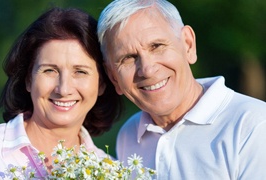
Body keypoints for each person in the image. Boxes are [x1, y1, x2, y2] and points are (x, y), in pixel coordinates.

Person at [97, 0, 266, 179]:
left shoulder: (254, 125)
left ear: (188, 44)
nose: (147, 69)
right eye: (128, 58)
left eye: (157, 46)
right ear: (113, 76)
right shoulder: (128, 135)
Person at [0, 7, 122, 179]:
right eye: (50, 70)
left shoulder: (109, 170)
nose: (63, 89)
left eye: (80, 72)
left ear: (101, 84)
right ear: (28, 79)